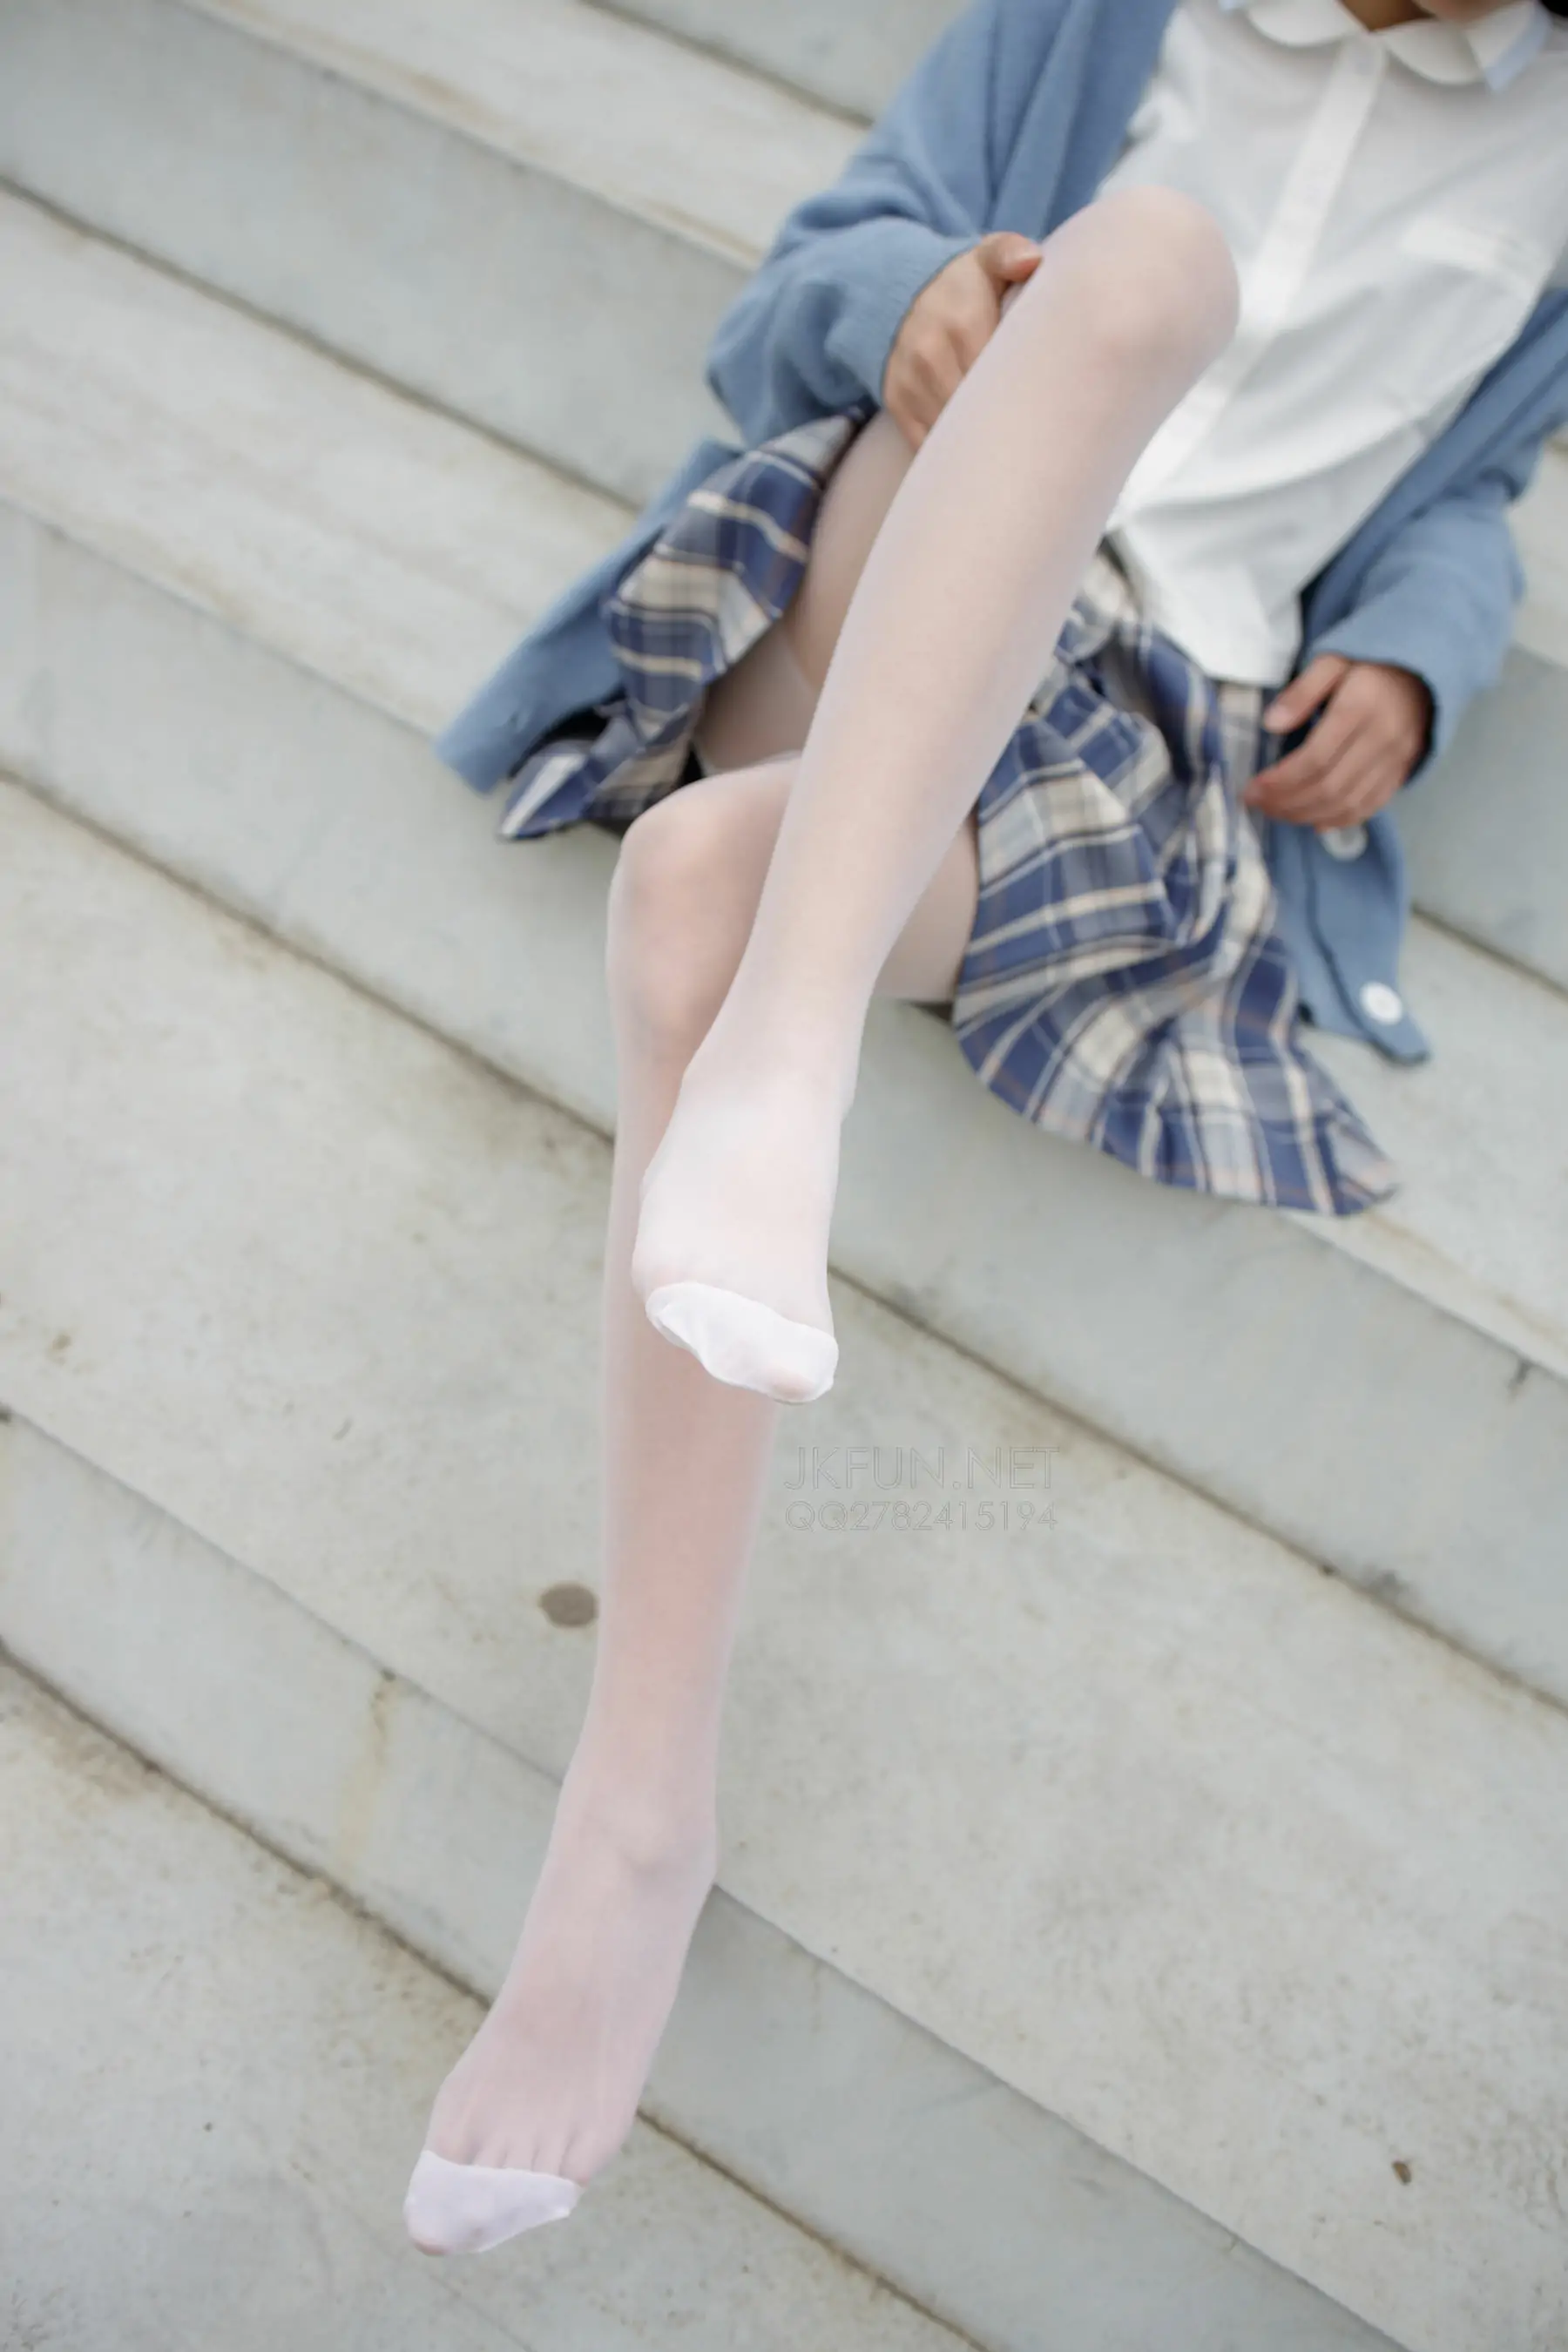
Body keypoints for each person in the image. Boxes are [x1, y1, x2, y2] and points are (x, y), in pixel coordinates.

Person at [402, 0, 1568, 2254]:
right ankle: (796, 1062)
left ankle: (638, 1813)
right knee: (1146, 262)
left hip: (1136, 727)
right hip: (880, 574)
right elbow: (799, 285)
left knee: (694, 894)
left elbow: (1466, 485)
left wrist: (1423, 642)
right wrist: (911, 302)